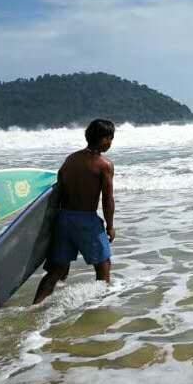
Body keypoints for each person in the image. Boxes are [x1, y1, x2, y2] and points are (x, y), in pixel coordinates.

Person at [33, 118, 116, 304]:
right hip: (86, 221)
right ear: (104, 139)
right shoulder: (104, 164)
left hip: (63, 220)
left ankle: (34, 307)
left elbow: (58, 191)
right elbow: (107, 199)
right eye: (110, 138)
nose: (110, 143)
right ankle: (101, 309)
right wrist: (110, 226)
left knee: (57, 270)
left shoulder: (70, 159)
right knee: (103, 266)